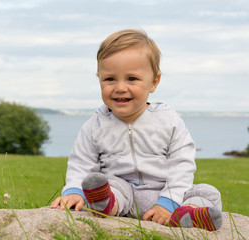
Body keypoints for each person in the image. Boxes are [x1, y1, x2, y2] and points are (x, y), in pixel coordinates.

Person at [50, 29, 223, 231]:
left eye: (132, 79)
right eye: (110, 79)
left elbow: (181, 164)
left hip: (165, 192)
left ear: (154, 82)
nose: (120, 87)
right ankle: (104, 203)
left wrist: (169, 201)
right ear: (99, 78)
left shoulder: (169, 121)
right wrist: (74, 191)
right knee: (107, 184)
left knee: (209, 192)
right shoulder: (95, 126)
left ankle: (187, 214)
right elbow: (81, 162)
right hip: (123, 192)